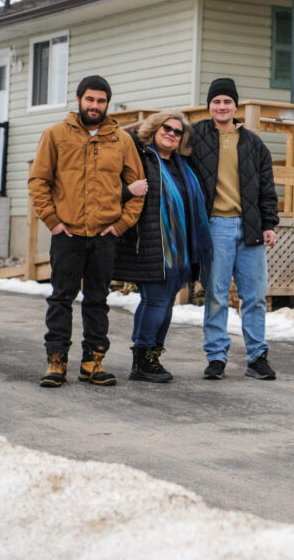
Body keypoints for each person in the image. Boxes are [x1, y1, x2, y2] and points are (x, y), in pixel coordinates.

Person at [29, 75, 144, 388]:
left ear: (107, 104)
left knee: (97, 300)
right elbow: (39, 181)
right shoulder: (55, 135)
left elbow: (139, 189)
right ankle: (56, 362)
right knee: (61, 298)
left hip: (104, 236)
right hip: (67, 234)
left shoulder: (122, 140)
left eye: (101, 101)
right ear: (79, 100)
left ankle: (93, 362)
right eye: (90, 99)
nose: (95, 106)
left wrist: (120, 225)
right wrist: (52, 221)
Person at [190, 77, 279, 381]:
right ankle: (216, 357)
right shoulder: (196, 135)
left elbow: (267, 186)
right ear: (209, 105)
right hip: (215, 225)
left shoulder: (253, 142)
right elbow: (167, 140)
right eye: (216, 101)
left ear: (235, 106)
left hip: (250, 226)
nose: (222, 106)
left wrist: (269, 224)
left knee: (254, 295)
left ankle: (257, 357)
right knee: (215, 294)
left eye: (227, 101)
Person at [113, 111, 212, 383]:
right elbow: (114, 186)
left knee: (165, 301)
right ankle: (142, 360)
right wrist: (127, 190)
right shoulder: (141, 158)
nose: (171, 133)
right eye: (166, 128)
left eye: (177, 131)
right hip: (148, 243)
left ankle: (152, 357)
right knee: (156, 300)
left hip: (178, 248)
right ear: (154, 130)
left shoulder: (184, 165)